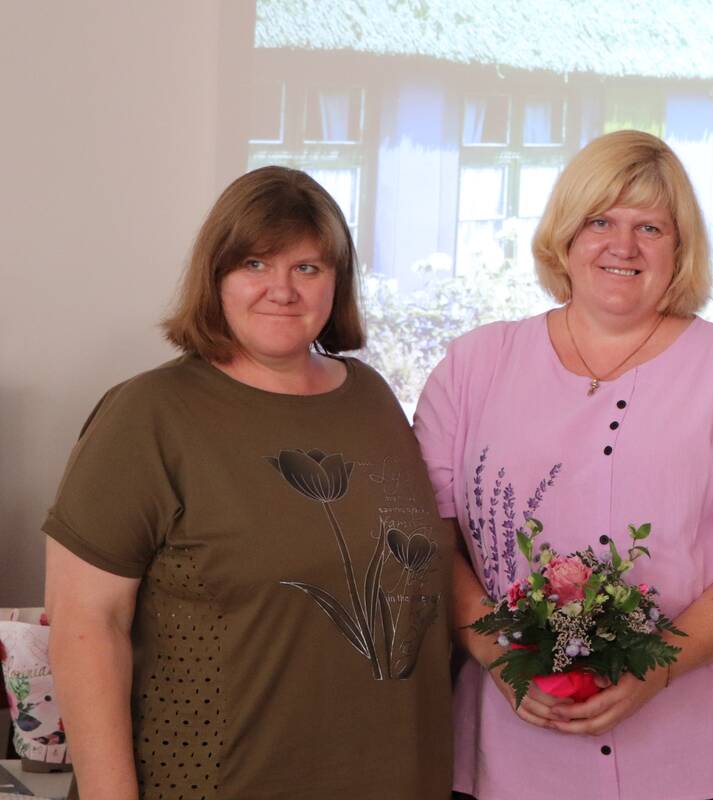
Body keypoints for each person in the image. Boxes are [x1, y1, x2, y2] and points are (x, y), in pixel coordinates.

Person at [414, 130, 713, 800]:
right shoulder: (474, 363)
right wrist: (499, 655)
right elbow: (428, 534)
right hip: (516, 754)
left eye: (650, 227)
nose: (622, 246)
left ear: (680, 249)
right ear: (565, 236)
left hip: (705, 751)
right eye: (600, 221)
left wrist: (660, 667)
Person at [43, 166, 454, 800]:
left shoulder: (371, 397)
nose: (281, 290)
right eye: (255, 264)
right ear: (216, 277)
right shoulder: (148, 414)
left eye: (307, 268)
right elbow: (85, 626)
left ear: (337, 282)